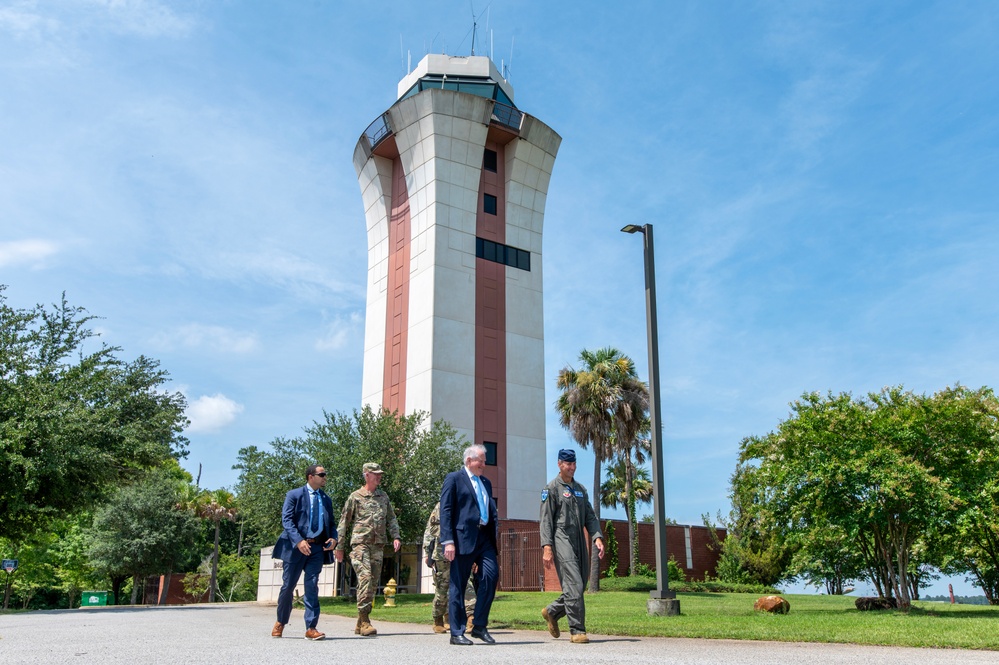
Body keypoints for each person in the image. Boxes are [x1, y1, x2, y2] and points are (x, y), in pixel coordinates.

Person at [539, 449, 605, 644]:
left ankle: (552, 611)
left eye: (574, 464)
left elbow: (590, 517)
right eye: (568, 464)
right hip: (561, 539)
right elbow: (545, 521)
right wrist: (547, 546)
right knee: (574, 583)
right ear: (560, 464)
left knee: (580, 583)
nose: (572, 467)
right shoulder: (551, 489)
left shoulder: (580, 490)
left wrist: (597, 537)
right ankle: (577, 630)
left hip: (579, 541)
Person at [439, 444, 499, 646]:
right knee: (458, 585)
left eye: (484, 460)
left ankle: (479, 626)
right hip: (461, 540)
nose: (484, 464)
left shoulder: (486, 483)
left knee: (491, 576)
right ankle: (457, 632)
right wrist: (448, 541)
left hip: (484, 538)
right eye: (481, 460)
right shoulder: (454, 479)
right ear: (468, 460)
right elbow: (446, 511)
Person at [271, 464, 338, 641]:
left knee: (312, 584)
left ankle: (311, 627)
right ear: (310, 477)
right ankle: (280, 621)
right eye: (321, 474)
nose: (325, 477)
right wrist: (299, 541)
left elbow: (331, 524)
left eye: (325, 474)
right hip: (295, 547)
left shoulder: (326, 499)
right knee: (288, 587)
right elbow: (287, 520)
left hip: (316, 548)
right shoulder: (294, 495)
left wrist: (334, 538)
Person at [335, 462, 401, 637]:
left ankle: (360, 621)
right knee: (364, 578)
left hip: (378, 545)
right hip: (360, 544)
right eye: (375, 474)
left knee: (372, 583)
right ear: (366, 475)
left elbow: (391, 519)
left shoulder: (383, 497)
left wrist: (396, 536)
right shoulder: (355, 497)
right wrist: (339, 547)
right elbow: (344, 522)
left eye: (380, 474)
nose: (379, 476)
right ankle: (365, 621)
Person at [422, 501, 477, 633]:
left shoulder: (466, 505)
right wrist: (427, 552)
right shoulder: (441, 505)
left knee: (467, 583)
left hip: (462, 551)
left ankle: (471, 618)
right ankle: (439, 619)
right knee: (442, 587)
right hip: (441, 553)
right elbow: (430, 530)